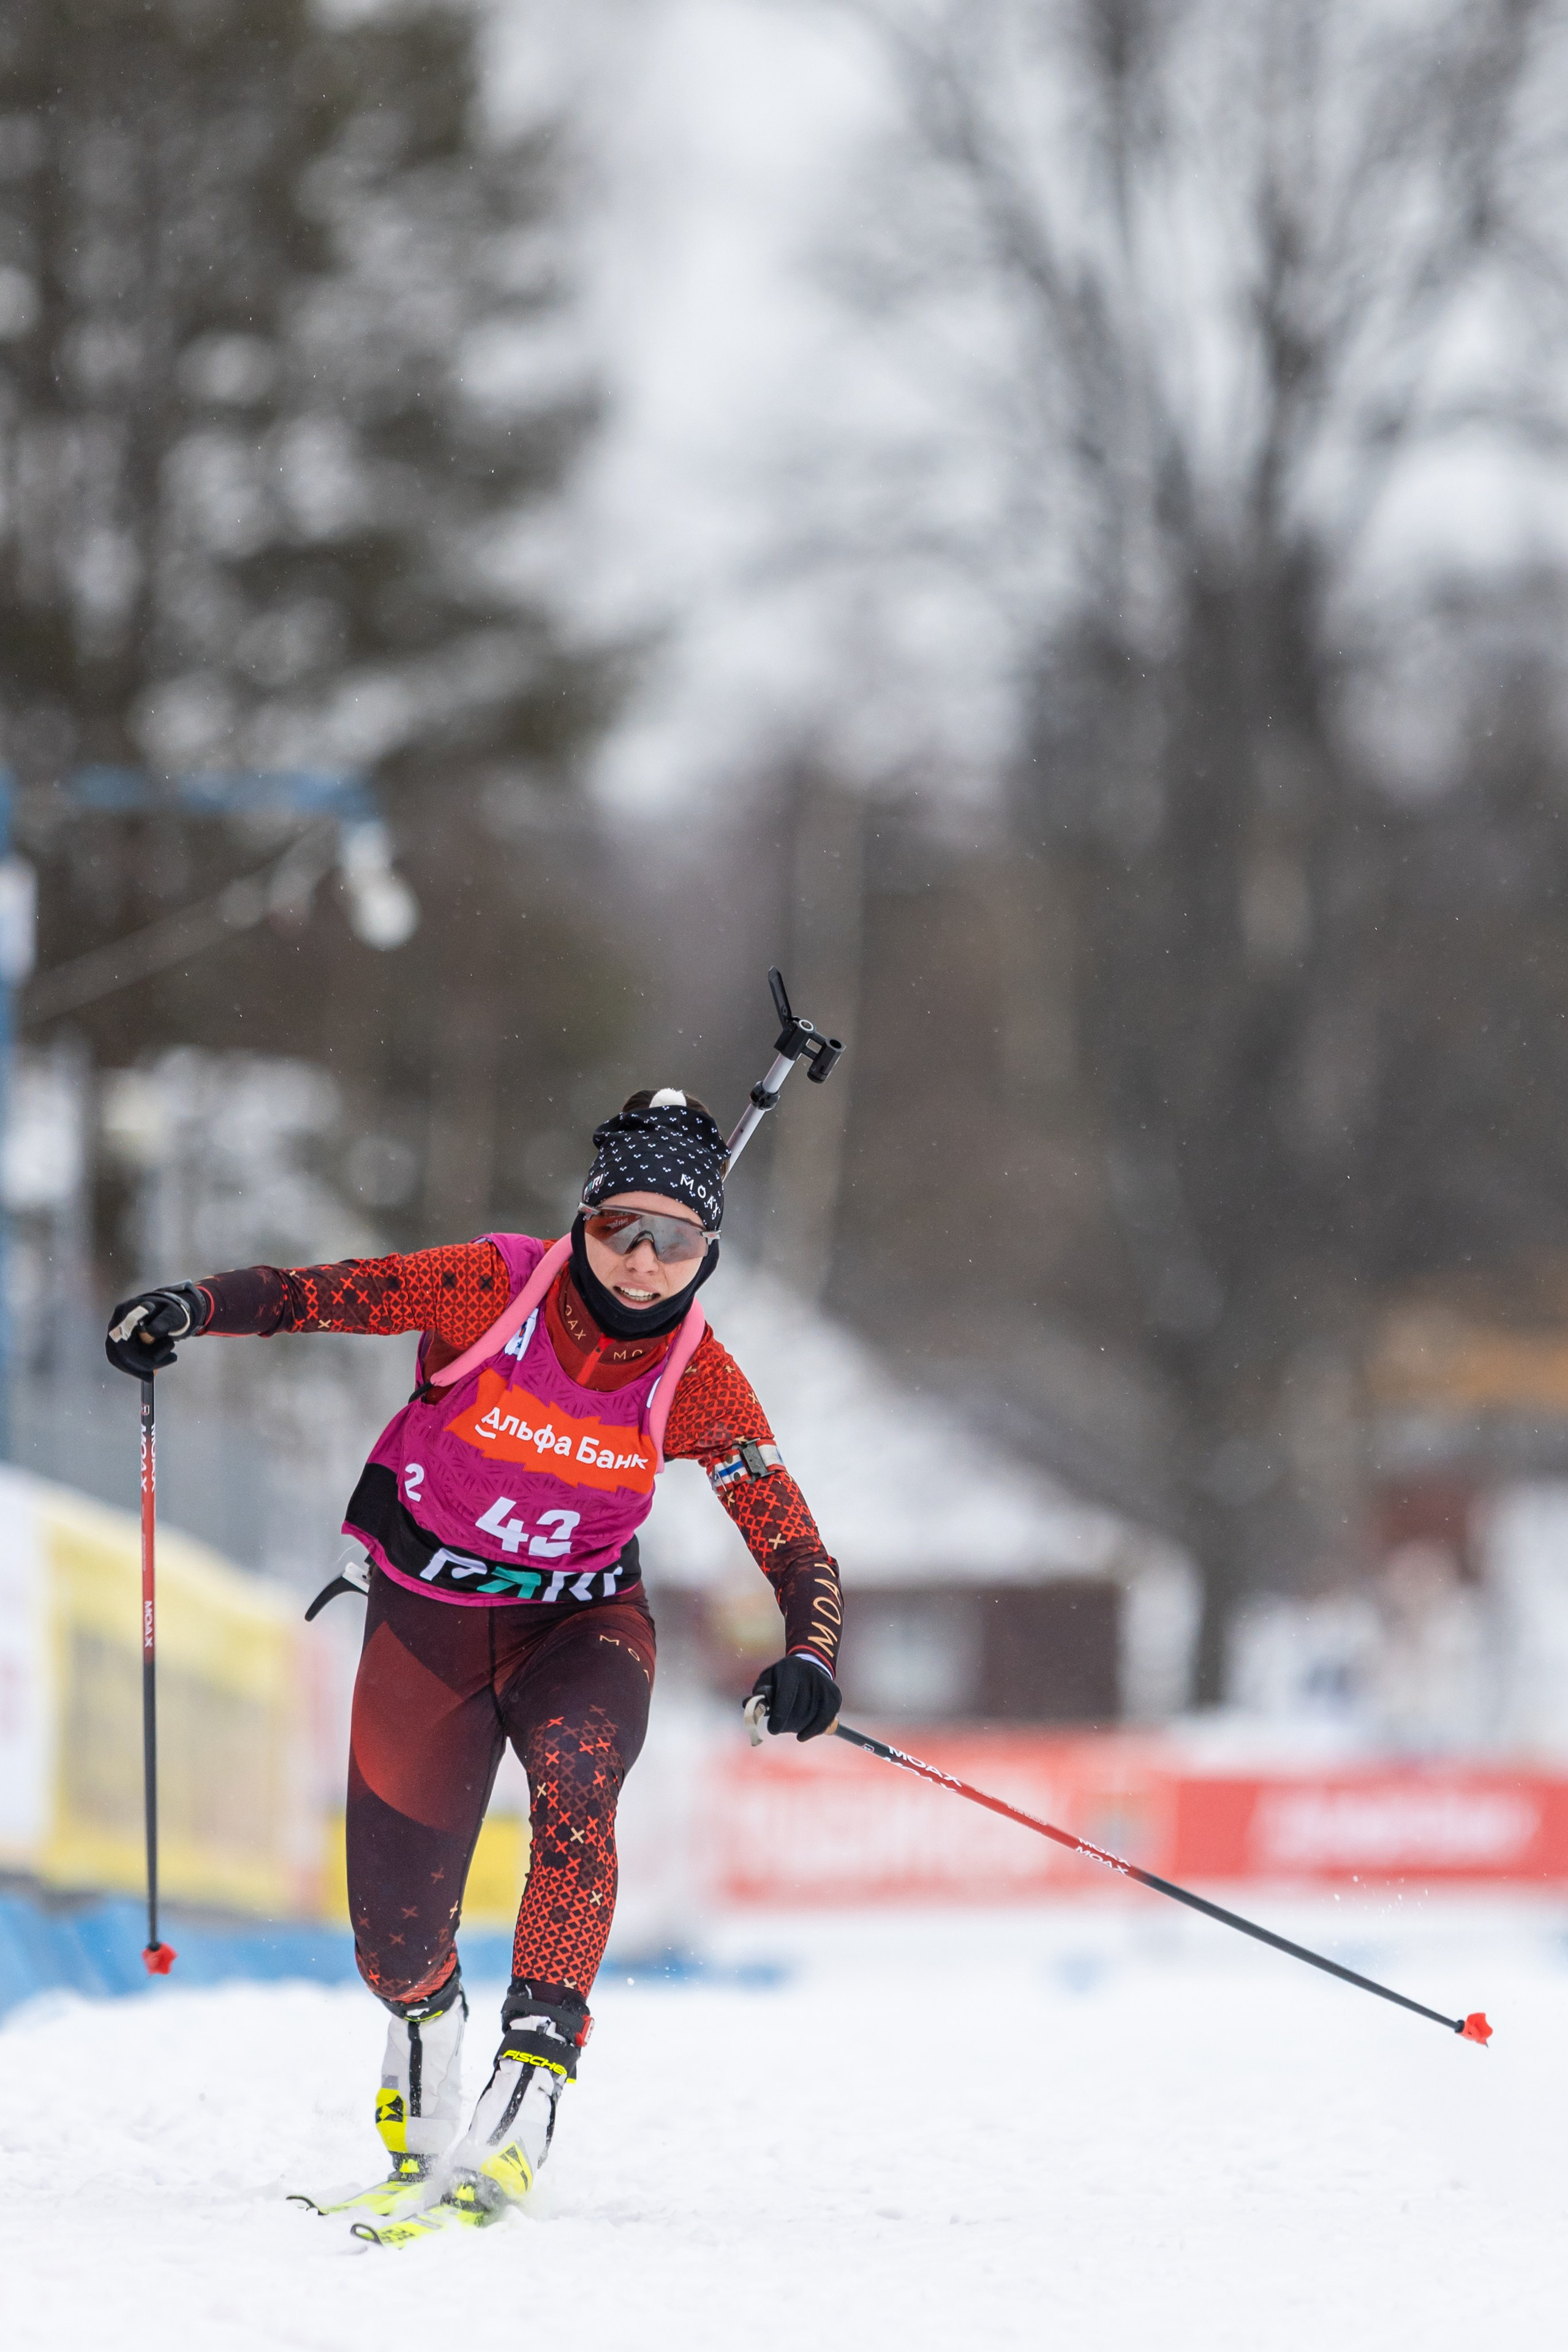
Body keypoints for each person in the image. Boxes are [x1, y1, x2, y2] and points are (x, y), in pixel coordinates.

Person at [105, 1088, 843, 2236]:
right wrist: (189, 1308)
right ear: (583, 1222)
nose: (646, 1264)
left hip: (583, 1628)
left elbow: (787, 1531)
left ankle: (532, 2083)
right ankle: (426, 2033)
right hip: (427, 1625)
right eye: (621, 1232)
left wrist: (810, 1653)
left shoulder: (701, 1376)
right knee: (391, 1937)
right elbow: (319, 1297)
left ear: (709, 1252)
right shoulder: (493, 1285)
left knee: (581, 1779)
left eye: (679, 1242)